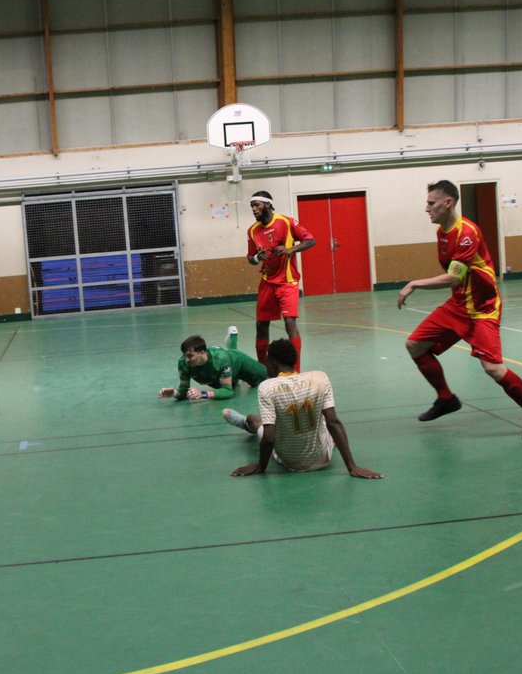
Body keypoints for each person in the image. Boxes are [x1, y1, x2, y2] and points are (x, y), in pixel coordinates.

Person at [397, 180, 522, 440]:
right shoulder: (441, 233)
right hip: (459, 304)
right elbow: (457, 282)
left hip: (482, 307)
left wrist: (415, 284)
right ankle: (446, 398)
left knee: (493, 369)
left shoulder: (467, 233)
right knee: (414, 345)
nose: (427, 209)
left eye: (431, 203)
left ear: (448, 203)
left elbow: (453, 277)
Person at [222, 339, 381, 479]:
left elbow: (270, 437)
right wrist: (353, 467)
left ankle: (244, 422)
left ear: (273, 362)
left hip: (291, 462)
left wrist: (260, 467)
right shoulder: (319, 378)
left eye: (267, 360)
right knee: (325, 421)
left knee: (254, 420)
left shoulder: (267, 387)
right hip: (322, 458)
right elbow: (335, 423)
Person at [246, 190, 315, 371]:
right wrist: (257, 258)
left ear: (268, 204)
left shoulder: (287, 222)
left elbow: (310, 240)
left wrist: (291, 250)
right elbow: (250, 258)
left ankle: (296, 370)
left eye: (257, 205)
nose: (254, 209)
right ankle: (263, 370)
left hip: (287, 281)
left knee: (289, 322)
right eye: (252, 206)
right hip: (267, 281)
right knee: (261, 325)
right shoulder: (252, 231)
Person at [159, 335, 267, 401]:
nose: (186, 359)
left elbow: (227, 392)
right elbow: (183, 391)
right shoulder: (183, 363)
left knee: (265, 376)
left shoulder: (220, 359)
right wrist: (173, 393)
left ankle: (233, 343)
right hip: (220, 376)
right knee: (230, 383)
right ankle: (232, 343)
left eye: (190, 356)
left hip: (240, 363)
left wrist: (202, 394)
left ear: (202, 353)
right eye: (185, 355)